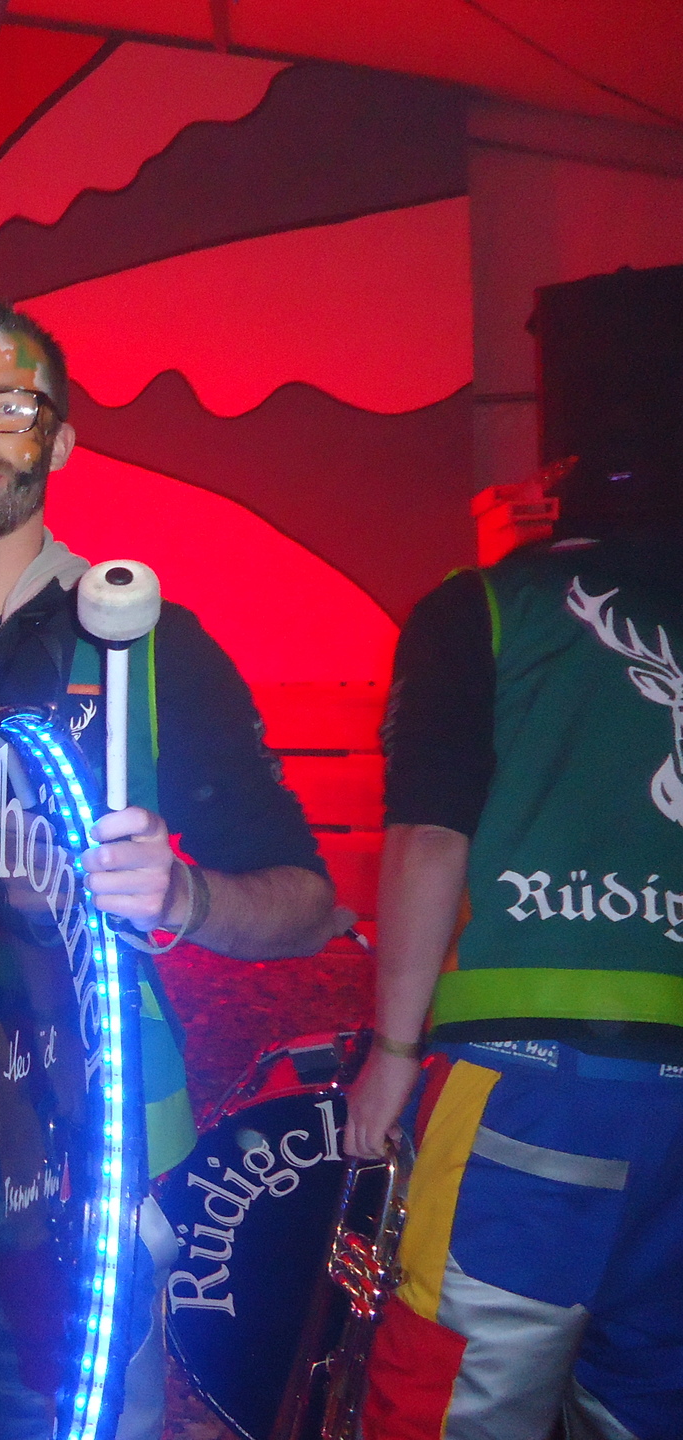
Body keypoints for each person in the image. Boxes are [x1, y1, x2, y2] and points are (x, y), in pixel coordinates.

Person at [0, 297, 348, 1439]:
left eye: (10, 406)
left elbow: (311, 903)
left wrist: (184, 896)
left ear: (63, 439)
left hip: (84, 1138)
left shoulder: (147, 644)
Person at [342, 469, 683, 1440]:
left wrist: (393, 1053)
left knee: (450, 1399)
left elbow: (430, 836)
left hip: (522, 1085)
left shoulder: (485, 607)